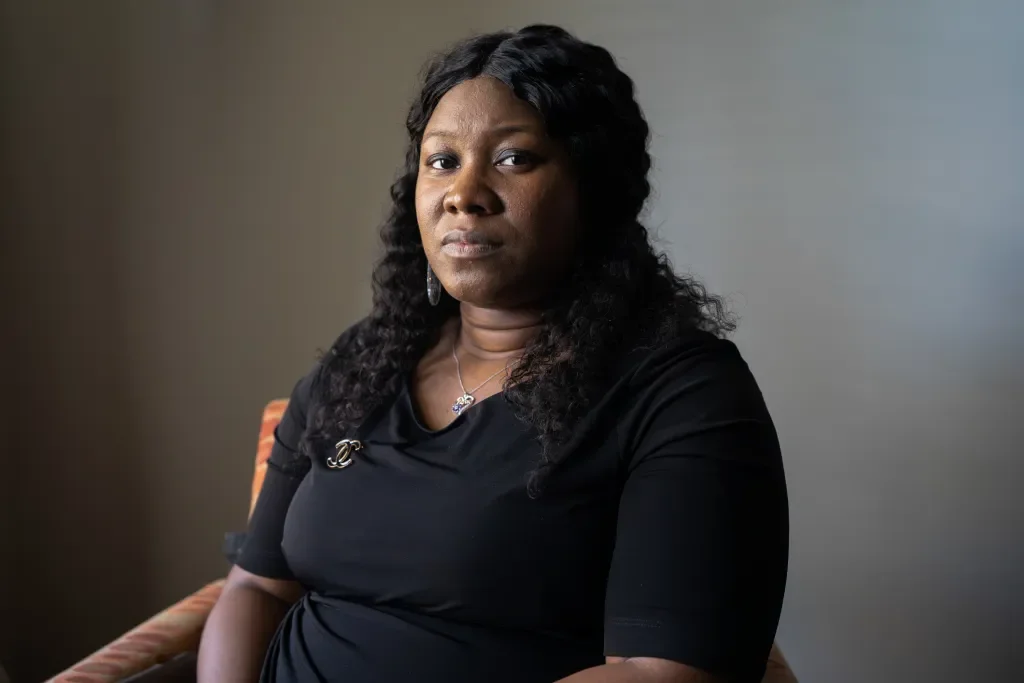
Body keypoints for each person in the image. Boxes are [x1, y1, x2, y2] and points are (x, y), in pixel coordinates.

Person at [197, 24, 788, 683]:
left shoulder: (682, 395)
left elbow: (665, 671)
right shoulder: (363, 363)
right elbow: (255, 586)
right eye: (442, 161)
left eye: (513, 158)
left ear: (593, 189)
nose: (463, 192)